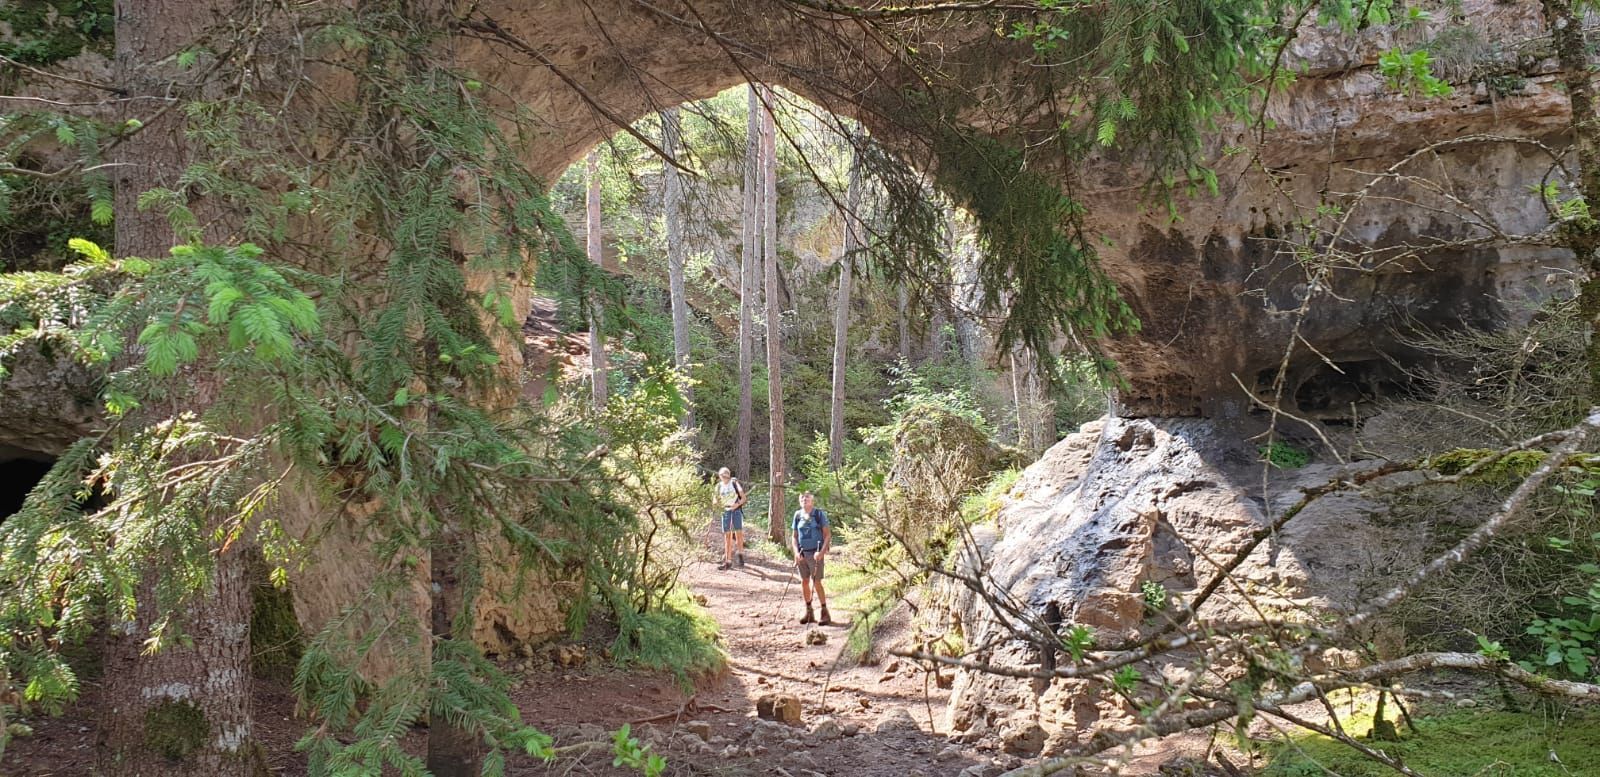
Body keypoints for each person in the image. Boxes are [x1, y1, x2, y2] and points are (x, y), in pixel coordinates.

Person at [790, 491, 832, 625]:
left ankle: (824, 612)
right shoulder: (797, 515)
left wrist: (821, 553)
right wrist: (796, 552)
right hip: (802, 554)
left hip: (816, 554)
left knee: (817, 582)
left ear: (812, 500)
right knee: (804, 581)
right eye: (802, 497)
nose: (804, 499)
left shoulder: (819, 514)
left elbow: (827, 535)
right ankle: (809, 612)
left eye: (807, 497)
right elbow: (794, 536)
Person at [715, 467, 747, 570]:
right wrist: (716, 503)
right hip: (725, 511)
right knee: (727, 536)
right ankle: (728, 561)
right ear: (720, 476)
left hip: (736, 510)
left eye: (726, 474)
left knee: (738, 533)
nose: (724, 477)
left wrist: (737, 504)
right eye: (722, 475)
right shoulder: (718, 486)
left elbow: (743, 498)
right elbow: (715, 499)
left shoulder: (734, 483)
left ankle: (740, 555)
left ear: (729, 475)